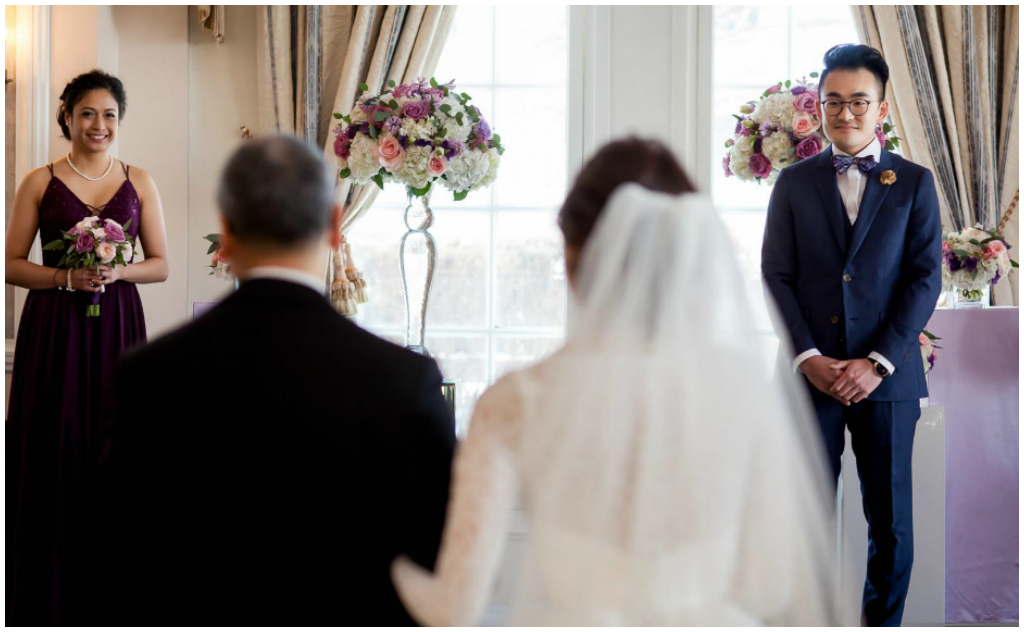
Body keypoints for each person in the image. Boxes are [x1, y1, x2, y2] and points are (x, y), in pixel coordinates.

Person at [391, 139, 845, 626]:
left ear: (573, 255)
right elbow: (768, 582)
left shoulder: (516, 400)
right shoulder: (740, 390)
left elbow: (453, 609)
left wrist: (389, 564)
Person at [86, 135, 455, 626]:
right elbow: (441, 555)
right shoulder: (404, 378)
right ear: (333, 227)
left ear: (227, 231)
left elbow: (118, 553)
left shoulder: (151, 372)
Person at [761, 44, 942, 626]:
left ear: (881, 107)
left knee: (890, 524)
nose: (845, 114)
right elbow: (776, 275)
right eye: (833, 102)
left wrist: (878, 361)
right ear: (818, 107)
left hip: (886, 382)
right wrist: (809, 357)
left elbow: (923, 279)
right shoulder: (792, 183)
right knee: (802, 518)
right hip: (810, 378)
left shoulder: (915, 183)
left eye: (858, 102)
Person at [5, 69, 169, 625]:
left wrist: (117, 272)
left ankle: (114, 585)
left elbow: (161, 264)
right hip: (54, 324)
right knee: (54, 436)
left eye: (109, 116)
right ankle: (44, 589)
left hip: (117, 321)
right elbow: (10, 264)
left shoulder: (139, 180)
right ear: (68, 117)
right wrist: (64, 280)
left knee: (112, 440)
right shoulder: (38, 180)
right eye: (88, 114)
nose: (99, 125)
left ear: (119, 122)